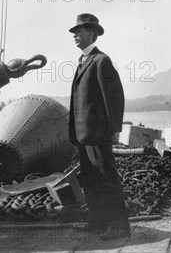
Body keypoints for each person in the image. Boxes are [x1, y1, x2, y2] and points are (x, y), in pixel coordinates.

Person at [68, 13, 130, 240]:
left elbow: (114, 97)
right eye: (74, 32)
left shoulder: (101, 61)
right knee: (92, 180)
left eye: (79, 32)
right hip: (85, 136)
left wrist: (115, 129)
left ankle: (120, 226)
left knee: (106, 180)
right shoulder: (83, 61)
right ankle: (97, 221)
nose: (75, 36)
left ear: (91, 34)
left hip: (98, 133)